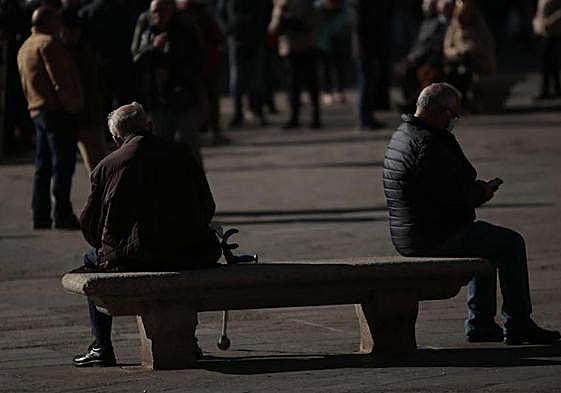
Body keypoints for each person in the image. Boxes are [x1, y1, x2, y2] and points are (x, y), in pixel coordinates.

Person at [382, 82, 561, 345]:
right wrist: (481, 193)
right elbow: (451, 197)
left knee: (485, 241)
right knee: (511, 243)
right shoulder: (428, 143)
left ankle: (481, 323)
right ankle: (518, 322)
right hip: (432, 235)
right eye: (453, 115)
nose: (454, 121)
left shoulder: (404, 133)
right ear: (441, 111)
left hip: (412, 231)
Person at [72, 102, 222, 367]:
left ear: (117, 139)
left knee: (90, 259)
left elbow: (90, 224)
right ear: (149, 126)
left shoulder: (107, 166)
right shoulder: (181, 153)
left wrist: (109, 245)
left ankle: (102, 346)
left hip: (135, 257)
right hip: (190, 252)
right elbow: (207, 205)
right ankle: (189, 340)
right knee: (178, 262)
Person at [17, 4, 84, 230]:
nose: (60, 24)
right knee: (62, 165)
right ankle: (63, 213)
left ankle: (41, 214)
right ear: (48, 22)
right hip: (57, 111)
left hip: (37, 110)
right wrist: (74, 105)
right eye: (56, 20)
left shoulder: (25, 47)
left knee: (42, 164)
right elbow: (60, 81)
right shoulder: (49, 44)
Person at [131, 0, 205, 166]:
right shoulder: (145, 25)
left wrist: (177, 75)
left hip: (184, 98)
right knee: (161, 152)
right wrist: (153, 47)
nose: (158, 16)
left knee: (190, 149)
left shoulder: (185, 25)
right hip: (157, 99)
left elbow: (198, 59)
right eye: (155, 11)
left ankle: (196, 188)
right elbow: (136, 59)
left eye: (162, 11)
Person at [269, 0, 322, 129]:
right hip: (290, 50)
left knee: (312, 84)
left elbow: (315, 21)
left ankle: (316, 117)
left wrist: (299, 22)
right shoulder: (280, 5)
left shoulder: (307, 3)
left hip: (308, 47)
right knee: (293, 86)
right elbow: (272, 29)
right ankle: (294, 118)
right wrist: (281, 15)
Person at [218, 0, 271, 128]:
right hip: (237, 40)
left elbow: (267, 11)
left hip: (255, 40)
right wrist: (229, 30)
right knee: (237, 80)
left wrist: (261, 29)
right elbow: (221, 14)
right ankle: (238, 112)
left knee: (256, 78)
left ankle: (257, 110)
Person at [395, 0, 454, 111]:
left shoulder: (453, 23)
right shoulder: (429, 22)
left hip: (439, 60)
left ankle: (415, 104)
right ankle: (414, 102)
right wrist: (412, 57)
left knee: (427, 74)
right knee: (405, 70)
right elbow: (421, 43)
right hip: (425, 58)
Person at [347, 0, 391, 130]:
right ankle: (364, 118)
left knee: (369, 82)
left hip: (370, 45)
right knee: (366, 82)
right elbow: (358, 22)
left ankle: (367, 116)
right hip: (365, 47)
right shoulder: (356, 3)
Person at [443, 0, 496, 97]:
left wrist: (476, 48)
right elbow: (447, 49)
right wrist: (458, 51)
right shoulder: (454, 28)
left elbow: (488, 47)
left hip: (477, 62)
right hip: (458, 61)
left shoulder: (481, 27)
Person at [533, 0, 561, 99]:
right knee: (551, 62)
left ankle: (546, 90)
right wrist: (536, 22)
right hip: (543, 32)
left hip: (553, 32)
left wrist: (548, 22)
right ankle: (555, 88)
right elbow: (540, 12)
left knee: (546, 60)